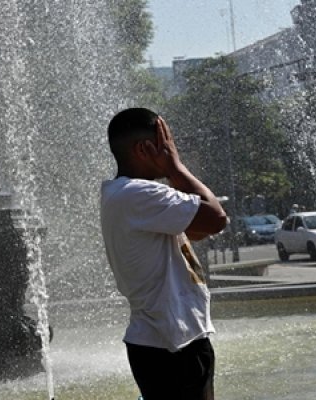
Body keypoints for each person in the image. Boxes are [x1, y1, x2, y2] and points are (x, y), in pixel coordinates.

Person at [100, 108, 227, 400]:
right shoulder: (137, 194)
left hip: (168, 340)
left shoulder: (125, 196)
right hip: (172, 345)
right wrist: (176, 168)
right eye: (166, 144)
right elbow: (217, 219)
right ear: (145, 149)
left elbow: (197, 230)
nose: (171, 150)